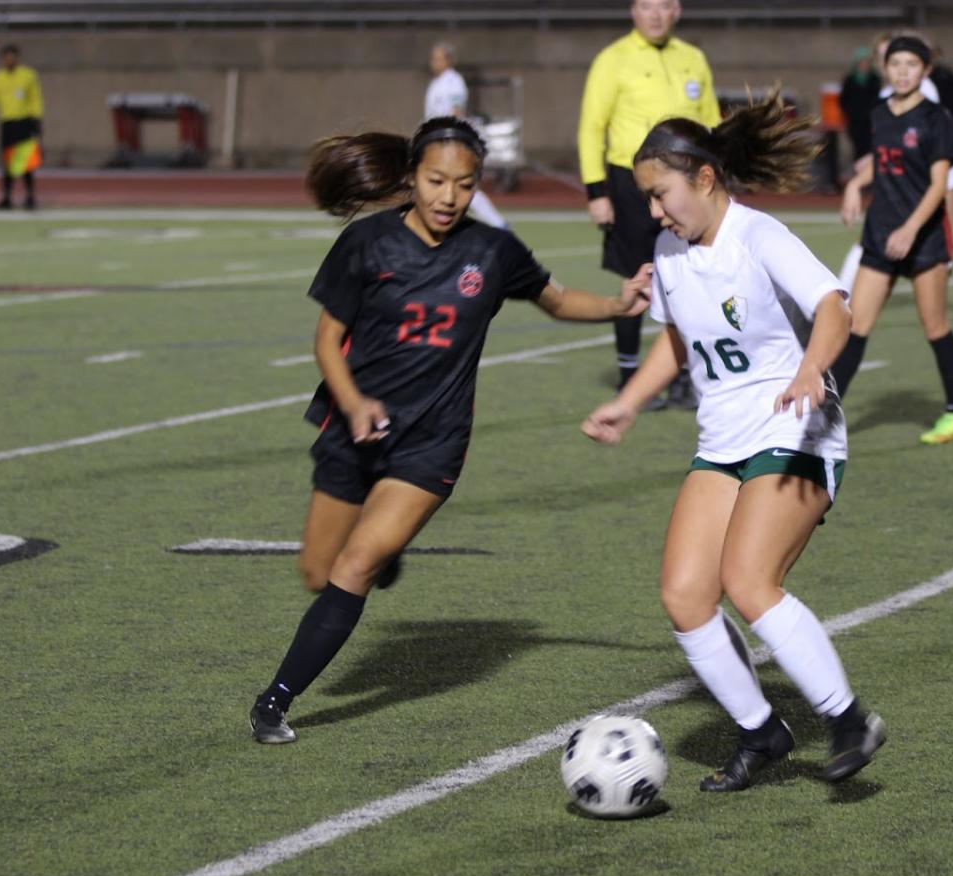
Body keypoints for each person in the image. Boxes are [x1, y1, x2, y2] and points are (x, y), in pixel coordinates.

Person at [250, 116, 653, 744]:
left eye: (463, 185)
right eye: (436, 181)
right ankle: (387, 552)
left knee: (356, 564)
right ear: (411, 178)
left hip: (432, 440)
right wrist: (354, 403)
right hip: (352, 431)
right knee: (317, 571)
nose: (448, 197)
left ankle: (274, 701)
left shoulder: (492, 251)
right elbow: (327, 340)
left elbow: (555, 297)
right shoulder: (366, 242)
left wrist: (617, 305)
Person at [581, 92, 885, 791]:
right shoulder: (668, 250)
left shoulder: (759, 236)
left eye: (661, 195)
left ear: (705, 179)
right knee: (685, 595)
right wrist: (628, 404)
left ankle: (847, 720)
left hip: (796, 425)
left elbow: (832, 309)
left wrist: (812, 367)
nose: (654, 212)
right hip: (722, 439)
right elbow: (678, 342)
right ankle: (761, 731)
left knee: (749, 581)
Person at [832, 35, 953, 446]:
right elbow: (880, 166)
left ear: (925, 70)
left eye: (912, 64)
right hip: (880, 233)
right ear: (886, 67)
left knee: (935, 326)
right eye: (896, 63)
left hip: (924, 237)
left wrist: (911, 229)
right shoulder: (879, 113)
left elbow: (937, 187)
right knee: (855, 326)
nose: (902, 71)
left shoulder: (936, 119)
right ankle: (826, 420)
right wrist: (854, 186)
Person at [578, 0, 718, 410]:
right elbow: (591, 126)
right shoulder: (612, 59)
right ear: (633, 11)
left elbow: (711, 125)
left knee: (693, 278)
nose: (655, 14)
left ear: (677, 10)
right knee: (637, 279)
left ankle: (688, 376)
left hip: (687, 183)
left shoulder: (693, 58)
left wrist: (717, 178)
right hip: (629, 183)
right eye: (646, 6)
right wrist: (596, 191)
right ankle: (629, 376)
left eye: (664, 6)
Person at [836, 33, 953, 322]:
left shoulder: (921, 90)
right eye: (886, 57)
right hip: (901, 180)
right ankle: (842, 299)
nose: (892, 63)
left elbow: (922, 138)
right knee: (872, 241)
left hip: (931, 181)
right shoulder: (886, 95)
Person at [425, 43, 509, 229]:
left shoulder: (454, 82)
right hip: (436, 142)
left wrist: (452, 142)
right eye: (433, 58)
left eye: (439, 58)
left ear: (450, 60)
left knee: (461, 187)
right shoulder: (436, 83)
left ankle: (499, 224)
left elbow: (456, 113)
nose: (435, 62)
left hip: (449, 143)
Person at [0, 43, 44, 210]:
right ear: (2, 59)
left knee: (26, 163)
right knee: (8, 163)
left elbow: (35, 98)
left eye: (12, 57)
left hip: (24, 122)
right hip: (7, 124)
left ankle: (30, 196)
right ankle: (7, 197)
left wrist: (37, 119)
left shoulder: (28, 76)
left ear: (17, 58)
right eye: (6, 57)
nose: (9, 60)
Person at [838, 45, 881, 165]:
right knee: (858, 149)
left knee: (870, 149)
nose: (864, 65)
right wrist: (851, 112)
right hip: (855, 121)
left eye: (866, 62)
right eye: (861, 62)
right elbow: (843, 100)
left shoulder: (874, 79)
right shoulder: (850, 80)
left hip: (870, 121)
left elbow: (877, 99)